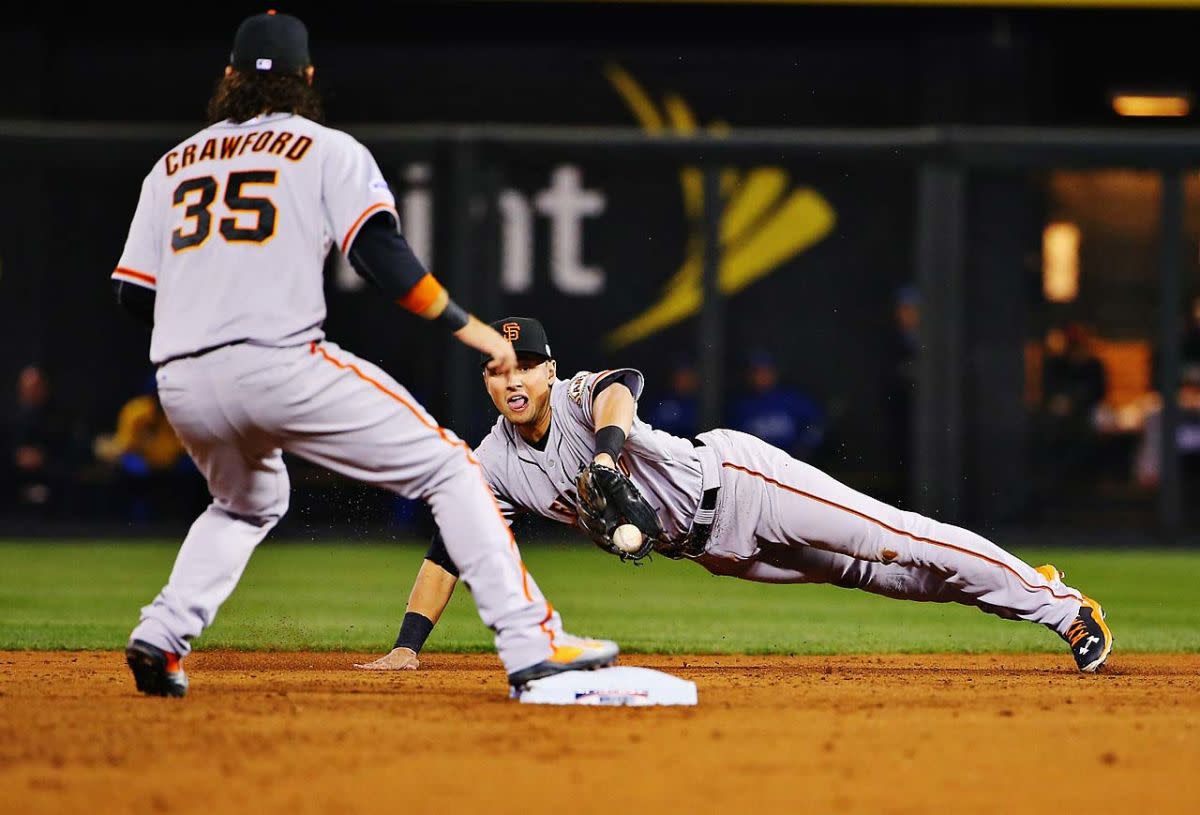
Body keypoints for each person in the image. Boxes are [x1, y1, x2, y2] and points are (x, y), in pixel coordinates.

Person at [113, 12, 614, 698]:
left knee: (246, 500)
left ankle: (162, 634)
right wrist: (476, 332)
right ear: (308, 79)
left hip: (184, 379)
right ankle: (533, 641)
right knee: (454, 469)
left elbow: (132, 295)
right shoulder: (324, 148)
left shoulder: (172, 164)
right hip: (278, 362)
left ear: (229, 77)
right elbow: (385, 260)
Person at [358, 317, 1114, 675]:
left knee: (898, 536)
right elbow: (449, 544)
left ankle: (1064, 607)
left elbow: (624, 388)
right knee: (895, 577)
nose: (512, 378)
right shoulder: (492, 462)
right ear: (486, 380)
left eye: (525, 364)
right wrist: (406, 645)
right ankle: (1028, 588)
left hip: (747, 484)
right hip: (717, 551)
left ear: (551, 370)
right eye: (497, 368)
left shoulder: (585, 393)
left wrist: (610, 459)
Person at [731, 350, 825, 460]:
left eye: (765, 371)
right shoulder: (740, 406)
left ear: (774, 373)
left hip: (792, 461)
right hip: (757, 464)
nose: (761, 376)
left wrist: (804, 447)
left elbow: (817, 425)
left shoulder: (792, 399)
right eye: (756, 371)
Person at [644, 354, 698, 438]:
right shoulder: (663, 402)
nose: (684, 380)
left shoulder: (701, 403)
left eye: (687, 375)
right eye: (680, 375)